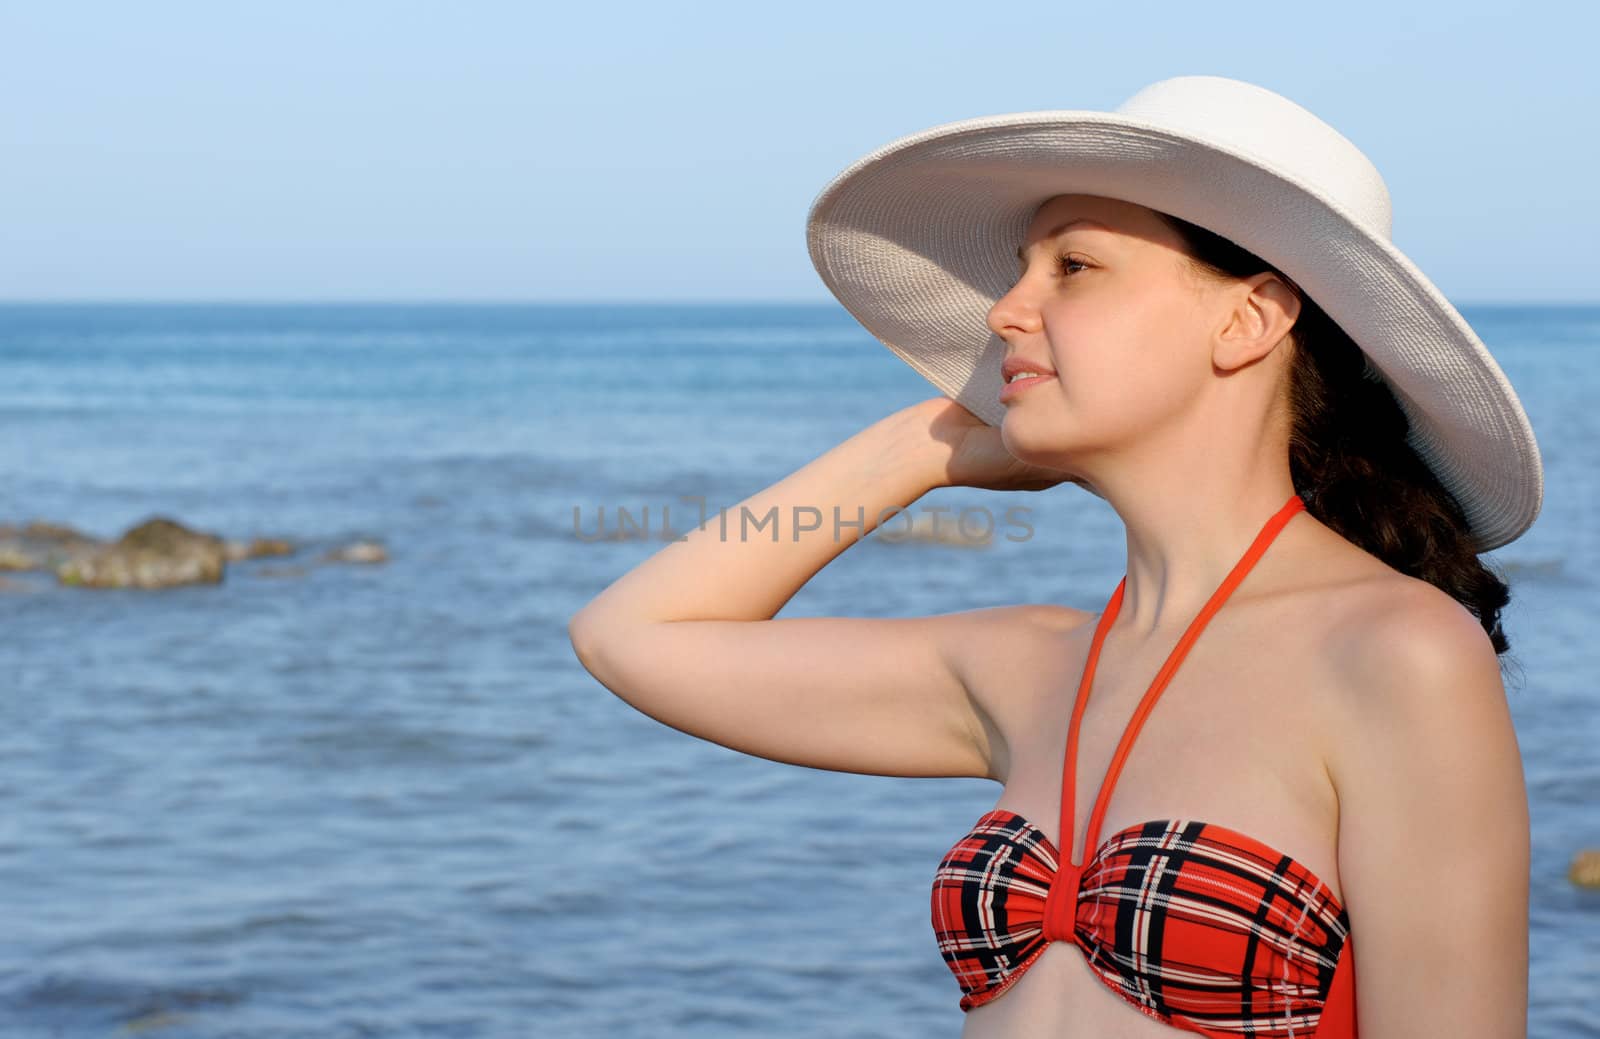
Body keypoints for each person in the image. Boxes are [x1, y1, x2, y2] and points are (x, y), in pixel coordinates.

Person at [568, 76, 1538, 1037]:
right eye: (1018, 271)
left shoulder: (1395, 654)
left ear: (1247, 321)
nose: (1005, 312)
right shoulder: (1031, 666)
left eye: (1071, 267)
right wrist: (915, 449)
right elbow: (626, 635)